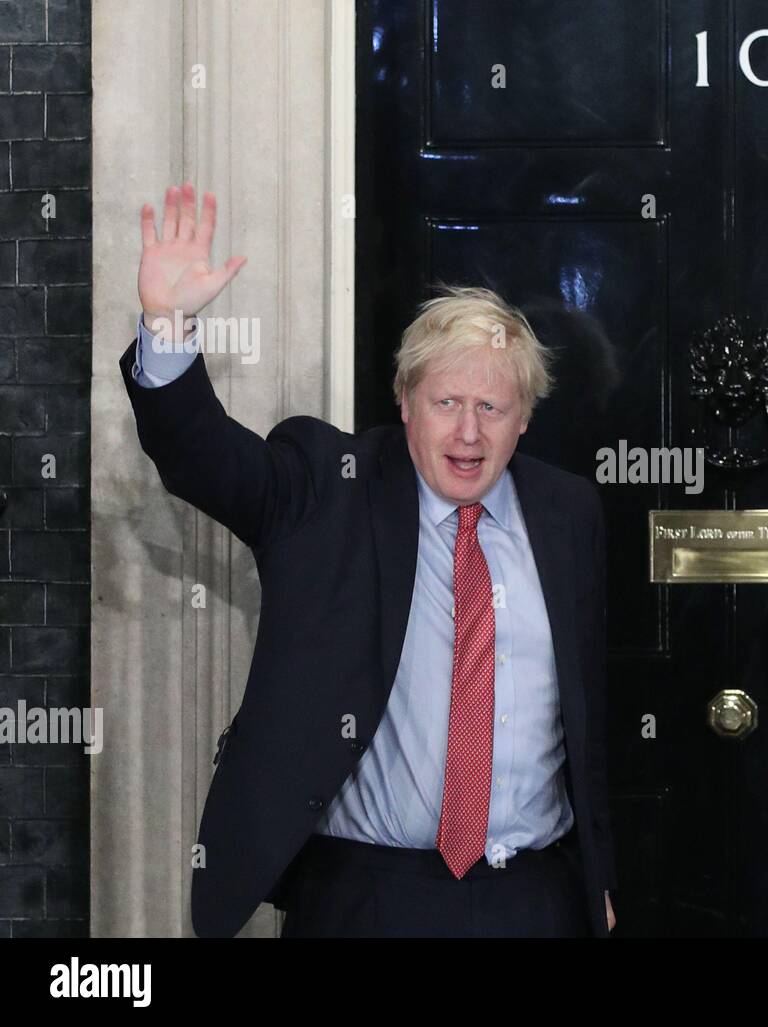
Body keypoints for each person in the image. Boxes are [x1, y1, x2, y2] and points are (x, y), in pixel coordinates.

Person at [122, 181, 616, 937]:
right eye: (448, 402)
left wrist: (597, 879)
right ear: (405, 399)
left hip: (534, 896)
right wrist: (167, 322)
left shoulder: (569, 513)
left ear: (525, 418)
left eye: (493, 408)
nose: (469, 432)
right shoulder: (329, 486)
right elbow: (205, 461)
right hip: (369, 896)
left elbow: (585, 718)